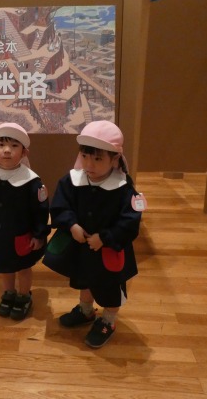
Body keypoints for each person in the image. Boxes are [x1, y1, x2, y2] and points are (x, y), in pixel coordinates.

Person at [45, 120, 143, 348]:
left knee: (110, 287)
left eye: (98, 159)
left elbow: (130, 221)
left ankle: (108, 320)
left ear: (115, 158)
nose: (89, 164)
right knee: (84, 279)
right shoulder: (72, 180)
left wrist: (105, 238)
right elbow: (60, 206)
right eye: (85, 156)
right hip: (82, 246)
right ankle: (86, 310)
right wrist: (72, 225)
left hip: (109, 250)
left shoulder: (123, 188)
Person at [0, 122, 49, 320]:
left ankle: (24, 296)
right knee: (4, 266)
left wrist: (39, 234)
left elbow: (41, 211)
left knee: (23, 267)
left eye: (14, 145)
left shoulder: (32, 181)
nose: (7, 150)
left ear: (24, 152)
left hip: (21, 234)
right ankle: (9, 293)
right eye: (1, 145)